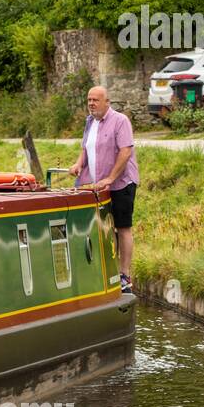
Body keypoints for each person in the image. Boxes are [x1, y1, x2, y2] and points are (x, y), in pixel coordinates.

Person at [68, 85, 139, 294]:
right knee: (103, 229)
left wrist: (110, 178)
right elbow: (85, 148)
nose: (91, 103)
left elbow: (125, 152)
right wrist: (78, 164)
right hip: (98, 185)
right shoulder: (89, 121)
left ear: (107, 102)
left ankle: (124, 275)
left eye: (95, 100)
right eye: (89, 100)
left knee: (123, 227)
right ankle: (106, 272)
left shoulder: (120, 121)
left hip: (121, 183)